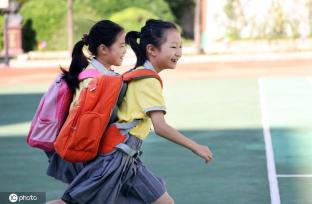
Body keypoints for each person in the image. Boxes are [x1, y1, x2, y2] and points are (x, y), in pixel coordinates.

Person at [60, 19, 213, 204]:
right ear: (152, 50)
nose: (179, 52)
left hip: (128, 158)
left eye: (180, 46)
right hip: (114, 158)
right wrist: (196, 147)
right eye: (173, 47)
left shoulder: (137, 73)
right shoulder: (148, 81)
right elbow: (160, 127)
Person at [45, 19, 126, 204]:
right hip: (83, 150)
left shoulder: (100, 75)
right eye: (121, 45)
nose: (125, 50)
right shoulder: (94, 80)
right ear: (104, 49)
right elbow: (83, 118)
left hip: (83, 148)